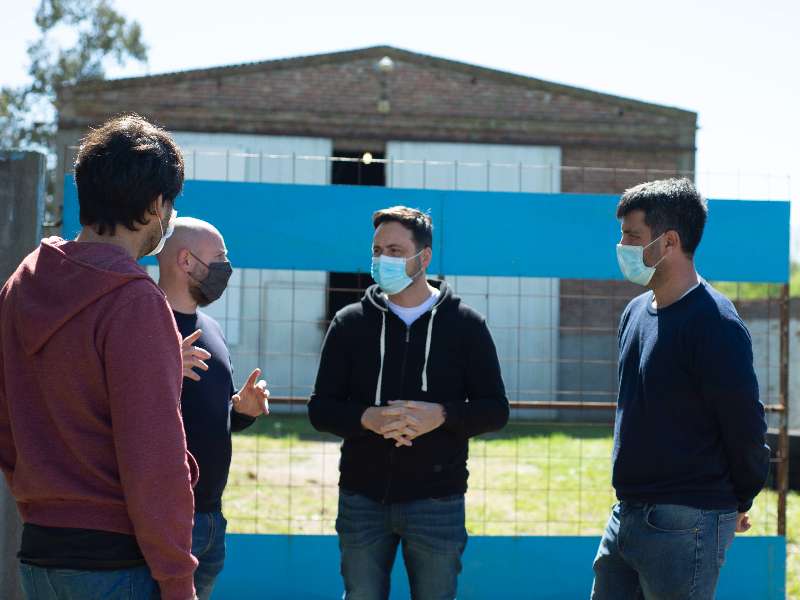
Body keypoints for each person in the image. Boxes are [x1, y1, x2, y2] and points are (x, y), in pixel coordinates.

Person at [0, 114, 198, 599]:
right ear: (156, 205)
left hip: (40, 552)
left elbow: (6, 424)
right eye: (170, 205)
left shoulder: (21, 285)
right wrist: (178, 581)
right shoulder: (136, 302)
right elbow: (154, 460)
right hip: (118, 563)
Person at [308, 205, 509, 600]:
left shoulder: (466, 324)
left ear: (424, 257)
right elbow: (320, 409)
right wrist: (369, 418)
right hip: (361, 500)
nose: (383, 259)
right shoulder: (349, 323)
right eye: (377, 249)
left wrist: (443, 415)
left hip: (438, 501)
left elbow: (495, 409)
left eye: (396, 251)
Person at [591, 178, 770, 599]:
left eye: (632, 236)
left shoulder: (716, 324)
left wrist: (740, 498)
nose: (622, 246)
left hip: (686, 520)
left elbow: (744, 423)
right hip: (627, 514)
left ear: (669, 241)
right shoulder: (635, 312)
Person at [157, 217, 269, 599]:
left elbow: (203, 414)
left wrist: (240, 411)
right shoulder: (143, 322)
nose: (227, 266)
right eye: (219, 256)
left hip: (209, 520)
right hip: (161, 519)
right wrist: (163, 363)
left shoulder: (212, 328)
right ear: (186, 261)